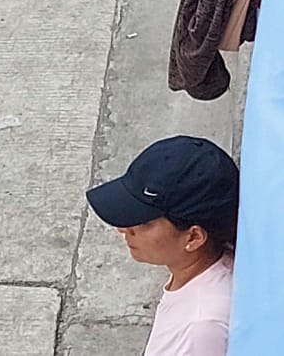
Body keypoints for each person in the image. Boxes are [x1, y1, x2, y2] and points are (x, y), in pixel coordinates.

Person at [86, 137, 238, 356]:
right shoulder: (198, 271)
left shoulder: (199, 328)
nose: (124, 229)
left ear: (193, 238)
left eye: (145, 223)